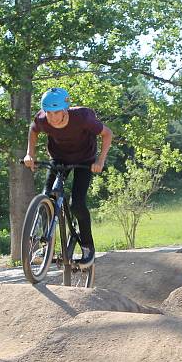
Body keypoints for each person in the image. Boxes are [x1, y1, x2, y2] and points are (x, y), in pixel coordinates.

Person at [23, 87, 113, 268]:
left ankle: (88, 247)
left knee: (77, 204)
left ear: (65, 109)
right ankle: (45, 246)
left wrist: (100, 160)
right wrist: (29, 154)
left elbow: (107, 133)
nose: (54, 117)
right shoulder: (42, 119)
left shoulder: (82, 118)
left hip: (85, 161)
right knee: (46, 197)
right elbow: (33, 131)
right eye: (49, 113)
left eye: (57, 112)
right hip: (59, 159)